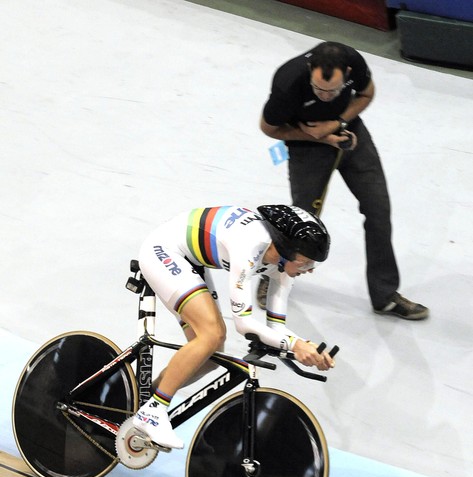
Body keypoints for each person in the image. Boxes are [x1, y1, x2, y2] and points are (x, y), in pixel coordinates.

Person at [133, 204, 335, 449]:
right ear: (285, 249)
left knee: (212, 354)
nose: (310, 270)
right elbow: (244, 323)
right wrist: (295, 345)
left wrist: (306, 349)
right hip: (164, 251)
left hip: (192, 260)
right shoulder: (250, 244)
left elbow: (277, 328)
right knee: (212, 334)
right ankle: (153, 412)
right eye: (305, 263)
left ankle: (143, 400)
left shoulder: (283, 267)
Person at [258, 41, 429, 320]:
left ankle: (384, 296)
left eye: (333, 90)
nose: (326, 95)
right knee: (303, 220)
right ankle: (273, 276)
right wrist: (317, 135)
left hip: (351, 138)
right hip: (308, 147)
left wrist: (336, 123)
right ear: (310, 70)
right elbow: (268, 128)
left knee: (378, 210)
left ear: (346, 72)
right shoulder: (288, 82)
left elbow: (367, 93)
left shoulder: (355, 63)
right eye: (319, 90)